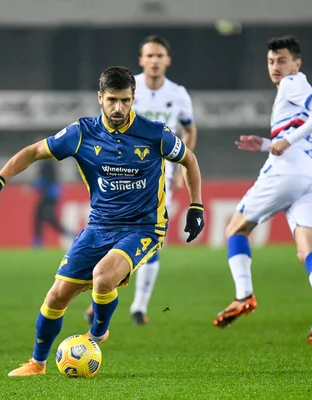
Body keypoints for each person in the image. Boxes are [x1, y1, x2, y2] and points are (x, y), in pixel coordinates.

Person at [0, 66, 205, 376]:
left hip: (144, 227)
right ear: (100, 98)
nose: (118, 108)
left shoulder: (155, 133)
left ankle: (95, 336)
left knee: (103, 276)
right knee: (56, 295)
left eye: (125, 100)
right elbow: (33, 151)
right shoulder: (81, 133)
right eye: (112, 100)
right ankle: (37, 364)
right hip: (99, 226)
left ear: (133, 98)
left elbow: (189, 159)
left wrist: (196, 205)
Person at [212, 36, 312, 345]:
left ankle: (244, 295)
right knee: (307, 249)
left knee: (235, 229)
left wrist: (287, 139)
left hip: (285, 174)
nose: (275, 67)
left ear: (297, 64)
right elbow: (307, 130)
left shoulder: (292, 84)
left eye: (282, 61)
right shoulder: (297, 94)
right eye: (271, 61)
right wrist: (269, 144)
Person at [85, 35, 198, 326]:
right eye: (150, 56)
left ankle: (139, 305)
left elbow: (189, 131)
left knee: (150, 237)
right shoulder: (125, 88)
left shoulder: (179, 94)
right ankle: (102, 287)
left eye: (160, 55)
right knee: (112, 233)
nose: (155, 61)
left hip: (159, 177)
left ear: (167, 60)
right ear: (141, 60)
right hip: (119, 175)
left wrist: (180, 168)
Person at [32, 158, 74, 248]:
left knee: (47, 221)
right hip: (48, 198)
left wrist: (33, 186)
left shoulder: (47, 168)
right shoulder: (52, 170)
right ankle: (37, 242)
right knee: (39, 220)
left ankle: (72, 235)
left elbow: (43, 181)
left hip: (48, 199)